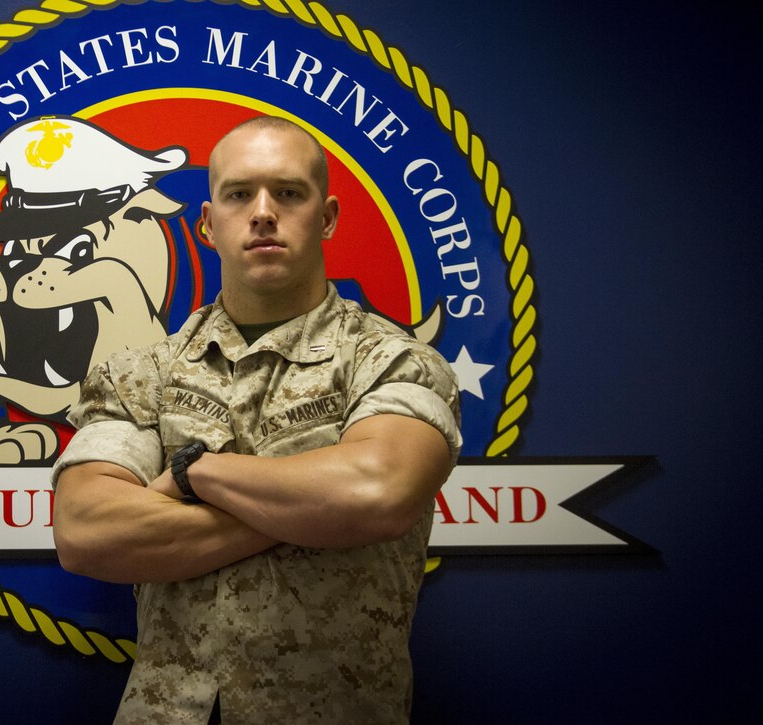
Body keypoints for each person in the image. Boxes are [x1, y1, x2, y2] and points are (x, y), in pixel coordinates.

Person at [51, 116, 462, 724]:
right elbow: (85, 533)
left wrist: (195, 474)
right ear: (208, 225)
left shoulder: (393, 360)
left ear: (326, 218)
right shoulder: (138, 373)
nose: (263, 212)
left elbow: (377, 493)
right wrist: (314, 509)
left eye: (288, 193)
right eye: (239, 194)